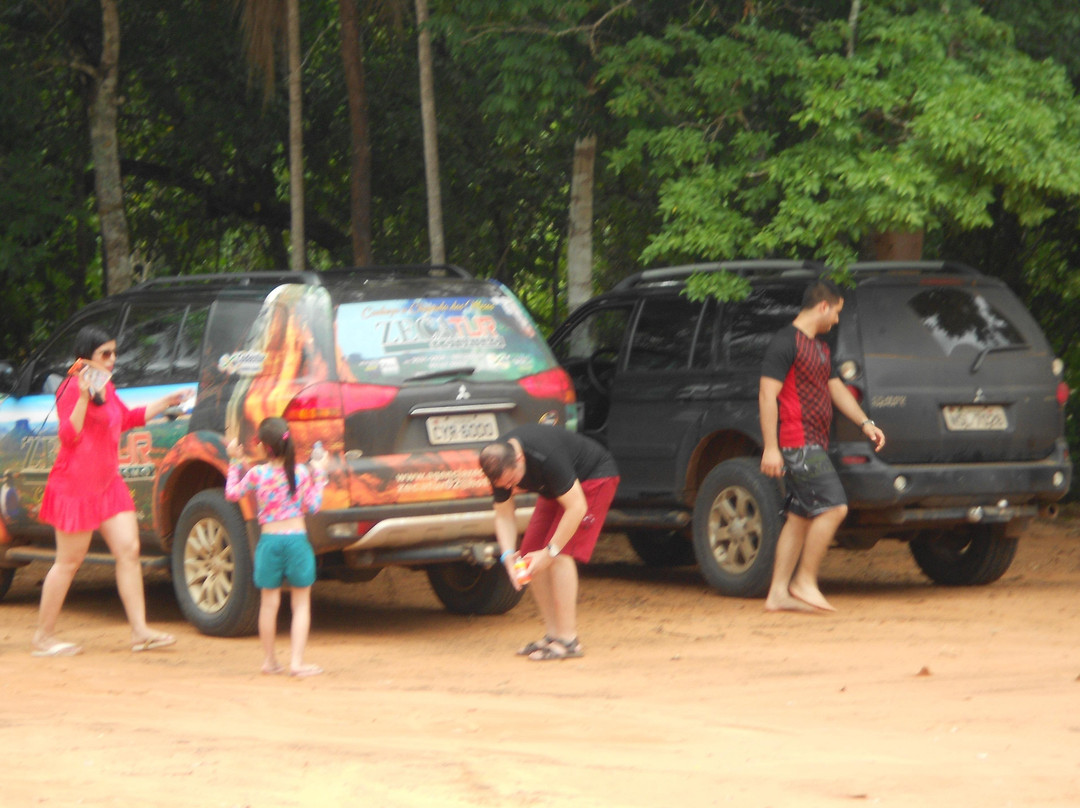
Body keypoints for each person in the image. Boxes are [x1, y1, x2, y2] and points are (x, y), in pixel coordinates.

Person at [33, 325, 190, 657]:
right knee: (68, 562)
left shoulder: (107, 386)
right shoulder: (70, 388)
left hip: (108, 484)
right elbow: (68, 436)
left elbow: (128, 417)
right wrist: (84, 398)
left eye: (114, 352)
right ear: (85, 358)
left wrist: (166, 402)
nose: (112, 359)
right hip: (75, 486)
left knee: (129, 551)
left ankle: (139, 631)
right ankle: (43, 638)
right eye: (105, 354)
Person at [759, 278, 886, 613]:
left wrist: (866, 423)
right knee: (834, 508)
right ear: (823, 306)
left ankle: (777, 594)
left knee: (800, 517)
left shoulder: (819, 347)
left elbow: (837, 389)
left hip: (815, 441)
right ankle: (804, 581)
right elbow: (766, 394)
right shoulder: (785, 342)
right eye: (837, 312)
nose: (837, 320)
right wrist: (770, 447)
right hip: (798, 444)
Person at [479, 424, 619, 661]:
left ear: (520, 458)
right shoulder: (498, 465)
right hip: (557, 489)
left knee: (560, 555)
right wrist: (507, 555)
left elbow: (577, 506)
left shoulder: (545, 455)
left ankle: (568, 640)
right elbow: (503, 513)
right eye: (505, 486)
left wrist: (551, 551)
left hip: (593, 478)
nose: (512, 489)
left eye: (513, 481)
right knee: (530, 555)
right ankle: (553, 635)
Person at [226, 417, 328, 677]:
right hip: (296, 541)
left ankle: (270, 660)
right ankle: (296, 662)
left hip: (269, 542)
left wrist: (234, 461)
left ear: (263, 446)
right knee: (301, 604)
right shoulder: (301, 473)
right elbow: (314, 506)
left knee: (268, 604)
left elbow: (232, 494)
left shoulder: (257, 474)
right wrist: (320, 473)